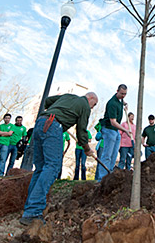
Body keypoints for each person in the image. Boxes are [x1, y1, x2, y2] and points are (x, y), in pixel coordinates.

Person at [20, 92, 98, 226]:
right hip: (52, 126)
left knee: (40, 169)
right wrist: (87, 149)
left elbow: (48, 100)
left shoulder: (68, 96)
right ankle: (33, 212)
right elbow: (81, 130)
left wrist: (54, 113)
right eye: (94, 104)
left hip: (40, 124)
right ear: (90, 98)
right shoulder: (84, 105)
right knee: (52, 167)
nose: (92, 108)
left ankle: (29, 208)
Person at [96, 84, 132, 181]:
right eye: (121, 93)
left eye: (125, 94)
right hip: (109, 129)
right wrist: (126, 130)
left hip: (115, 131)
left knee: (114, 154)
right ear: (117, 91)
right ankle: (102, 178)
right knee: (107, 154)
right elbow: (113, 122)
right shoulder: (112, 103)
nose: (123, 95)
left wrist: (124, 104)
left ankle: (109, 175)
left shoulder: (120, 100)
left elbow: (122, 101)